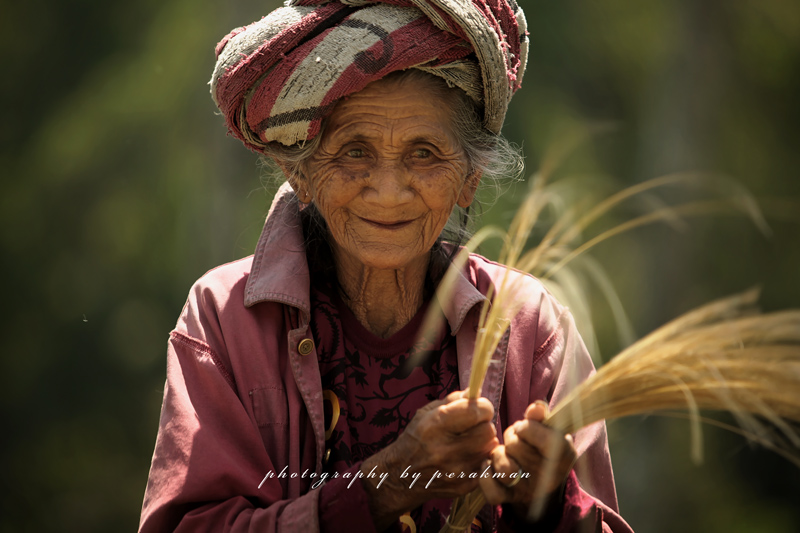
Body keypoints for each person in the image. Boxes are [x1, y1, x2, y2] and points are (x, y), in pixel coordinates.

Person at [140, 0, 634, 531]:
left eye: (424, 153)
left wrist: (549, 503)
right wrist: (386, 484)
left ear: (468, 177)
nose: (390, 191)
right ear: (302, 175)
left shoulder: (531, 328)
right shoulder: (226, 319)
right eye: (354, 152)